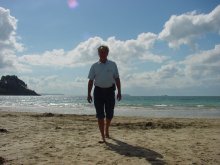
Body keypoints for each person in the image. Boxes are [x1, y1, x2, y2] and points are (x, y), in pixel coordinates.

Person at [87, 45, 121, 143]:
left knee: (110, 114)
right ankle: (102, 136)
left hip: (110, 91)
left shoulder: (113, 64)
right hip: (98, 92)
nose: (102, 54)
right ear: (98, 53)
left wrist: (119, 91)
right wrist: (89, 93)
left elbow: (117, 78)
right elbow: (90, 80)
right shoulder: (94, 66)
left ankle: (107, 129)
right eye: (100, 52)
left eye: (104, 52)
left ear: (107, 53)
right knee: (100, 115)